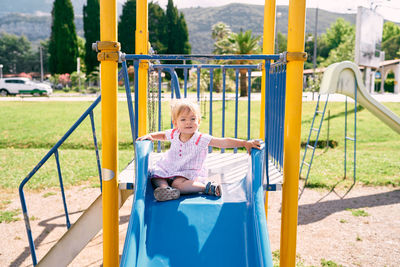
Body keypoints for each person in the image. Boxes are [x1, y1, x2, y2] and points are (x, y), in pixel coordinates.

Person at [137, 99, 260, 201]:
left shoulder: (200, 138)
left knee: (178, 184)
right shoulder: (175, 133)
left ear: (199, 121)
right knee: (156, 176)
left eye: (193, 119)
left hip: (187, 172)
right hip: (169, 166)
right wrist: (151, 136)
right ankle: (165, 190)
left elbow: (222, 142)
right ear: (175, 123)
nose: (188, 123)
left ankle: (206, 187)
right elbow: (163, 135)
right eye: (183, 119)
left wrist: (244, 143)